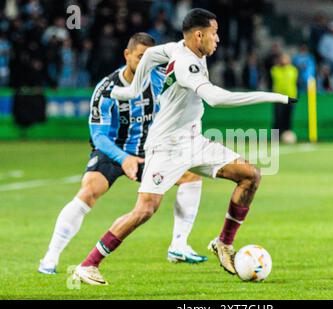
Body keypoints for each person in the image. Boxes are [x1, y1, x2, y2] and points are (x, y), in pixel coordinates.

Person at [73, 8, 296, 285]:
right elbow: (217, 98)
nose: (218, 39)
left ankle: (223, 243)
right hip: (166, 147)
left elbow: (153, 55)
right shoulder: (186, 64)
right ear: (199, 35)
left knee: (250, 175)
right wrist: (273, 96)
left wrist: (128, 91)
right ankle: (88, 264)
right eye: (214, 33)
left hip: (194, 141)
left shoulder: (176, 49)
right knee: (145, 209)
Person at [38, 33, 207, 275]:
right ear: (127, 55)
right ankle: (50, 257)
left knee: (190, 176)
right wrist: (124, 158)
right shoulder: (106, 89)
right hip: (113, 149)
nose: (145, 64)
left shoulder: (161, 81)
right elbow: (99, 136)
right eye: (140, 57)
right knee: (89, 191)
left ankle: (179, 244)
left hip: (150, 151)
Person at [271, 53, 299, 143]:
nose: (284, 60)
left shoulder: (293, 70)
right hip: (278, 97)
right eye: (283, 58)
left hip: (290, 97)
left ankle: (287, 137)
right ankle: (274, 138)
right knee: (278, 118)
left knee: (288, 119)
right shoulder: (275, 70)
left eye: (286, 59)